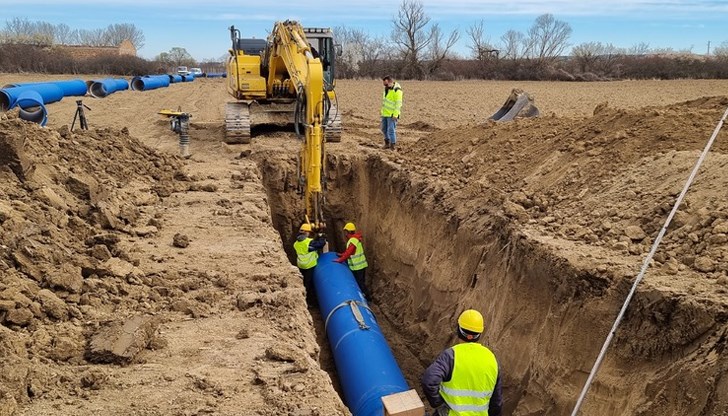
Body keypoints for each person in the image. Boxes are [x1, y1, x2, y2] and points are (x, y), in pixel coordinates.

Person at [421, 309, 502, 416]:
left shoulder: (451, 356)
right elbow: (496, 403)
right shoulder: (491, 359)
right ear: (480, 333)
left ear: (459, 330)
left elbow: (429, 381)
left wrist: (438, 404)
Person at [334, 222, 370, 299]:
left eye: (346, 232)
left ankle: (367, 297)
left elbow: (349, 252)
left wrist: (340, 260)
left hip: (358, 267)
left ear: (348, 232)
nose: (345, 234)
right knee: (360, 282)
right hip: (360, 266)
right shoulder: (355, 239)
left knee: (360, 283)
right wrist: (342, 254)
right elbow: (350, 252)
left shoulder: (353, 240)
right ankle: (364, 296)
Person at [293, 223, 326, 305]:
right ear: (306, 232)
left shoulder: (296, 243)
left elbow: (311, 245)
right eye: (308, 232)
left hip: (301, 265)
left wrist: (317, 237)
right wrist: (321, 236)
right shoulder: (308, 242)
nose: (309, 234)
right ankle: (309, 302)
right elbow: (320, 244)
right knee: (309, 284)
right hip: (309, 266)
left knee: (304, 282)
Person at [380, 75, 403, 150]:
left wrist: (395, 114)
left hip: (392, 114)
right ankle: (387, 143)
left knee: (391, 130)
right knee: (384, 129)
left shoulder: (397, 91)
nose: (385, 86)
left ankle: (392, 146)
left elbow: (398, 104)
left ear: (390, 82)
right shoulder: (386, 89)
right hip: (385, 113)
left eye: (386, 84)